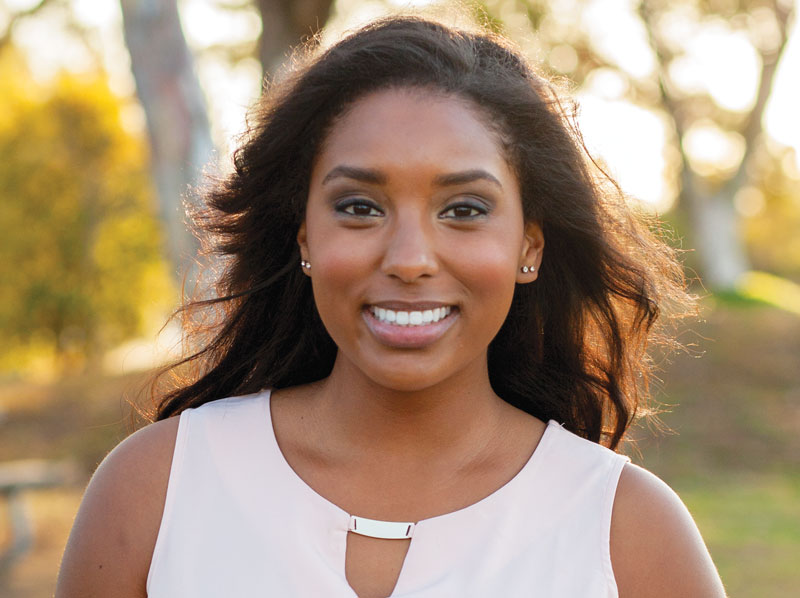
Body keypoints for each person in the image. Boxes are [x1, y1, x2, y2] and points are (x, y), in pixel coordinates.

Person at [56, 15, 727, 598]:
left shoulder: (627, 534)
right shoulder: (154, 493)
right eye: (359, 207)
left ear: (530, 246)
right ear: (304, 237)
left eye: (464, 210)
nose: (409, 258)